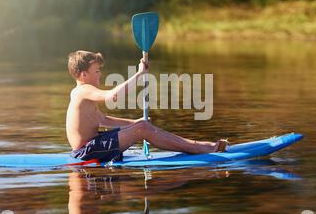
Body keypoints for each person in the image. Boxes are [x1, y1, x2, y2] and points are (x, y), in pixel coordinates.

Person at [66, 50, 228, 163]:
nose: (100, 74)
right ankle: (200, 148)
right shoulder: (84, 90)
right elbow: (113, 96)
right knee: (142, 129)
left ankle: (197, 146)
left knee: (142, 126)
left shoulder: (81, 93)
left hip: (92, 146)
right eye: (97, 71)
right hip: (87, 152)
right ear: (84, 74)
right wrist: (139, 74)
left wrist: (136, 122)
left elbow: (103, 119)